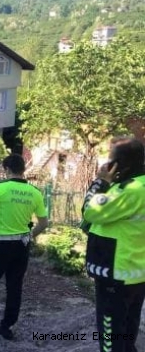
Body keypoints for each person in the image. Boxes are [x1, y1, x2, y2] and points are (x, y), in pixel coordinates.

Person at [0, 154, 48, 344]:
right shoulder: (35, 192)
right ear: (24, 170)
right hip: (21, 247)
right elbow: (44, 223)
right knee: (15, 288)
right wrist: (29, 236)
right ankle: (7, 327)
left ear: (6, 170)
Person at [81, 137, 145, 352]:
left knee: (111, 338)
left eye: (110, 160)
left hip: (116, 273)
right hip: (136, 273)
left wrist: (100, 182)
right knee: (127, 334)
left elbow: (89, 211)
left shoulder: (129, 190)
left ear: (119, 164)